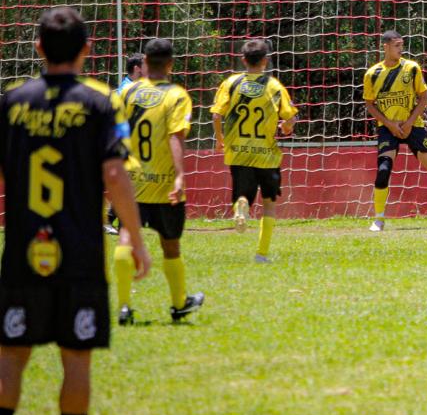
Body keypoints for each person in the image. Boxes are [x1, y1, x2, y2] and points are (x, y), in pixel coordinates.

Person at [0, 7, 150, 415]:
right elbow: (113, 172)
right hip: (80, 255)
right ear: (87, 50)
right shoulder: (101, 103)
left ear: (39, 48)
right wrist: (136, 238)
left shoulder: (11, 102)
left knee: (10, 358)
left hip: (24, 252)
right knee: (76, 360)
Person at [116, 38, 204, 323]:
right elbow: (175, 136)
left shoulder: (126, 94)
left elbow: (113, 135)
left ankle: (124, 306)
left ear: (143, 65)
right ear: (170, 64)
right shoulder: (176, 95)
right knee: (171, 245)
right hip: (164, 183)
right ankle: (179, 304)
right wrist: (179, 175)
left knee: (125, 238)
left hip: (132, 181)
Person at [211, 39, 298, 262]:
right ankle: (261, 254)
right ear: (265, 61)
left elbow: (216, 115)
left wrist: (220, 140)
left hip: (238, 152)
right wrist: (287, 127)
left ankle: (241, 205)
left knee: (242, 194)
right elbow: (290, 117)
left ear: (243, 59)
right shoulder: (274, 86)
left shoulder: (231, 83)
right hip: (266, 155)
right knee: (269, 203)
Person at [362, 30, 427, 231]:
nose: (401, 49)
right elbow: (370, 104)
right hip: (388, 129)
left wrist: (408, 122)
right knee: (383, 170)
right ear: (385, 46)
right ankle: (379, 218)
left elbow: (423, 98)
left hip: (413, 126)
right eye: (397, 45)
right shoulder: (372, 74)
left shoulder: (411, 68)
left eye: (402, 45)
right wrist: (389, 123)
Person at [105, 53, 146, 236]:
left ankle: (111, 218)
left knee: (132, 181)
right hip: (126, 143)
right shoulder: (127, 90)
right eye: (146, 65)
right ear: (137, 68)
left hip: (134, 142)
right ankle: (116, 220)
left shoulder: (134, 87)